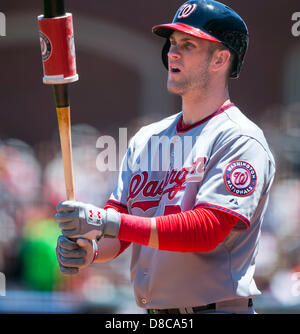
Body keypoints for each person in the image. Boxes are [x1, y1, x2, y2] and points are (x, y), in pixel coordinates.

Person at [55, 0, 276, 314]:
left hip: (218, 309)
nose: (172, 52)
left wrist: (107, 222)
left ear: (220, 59)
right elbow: (118, 228)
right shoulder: (148, 138)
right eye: (172, 44)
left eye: (188, 44)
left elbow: (207, 229)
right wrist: (88, 247)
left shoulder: (239, 137)